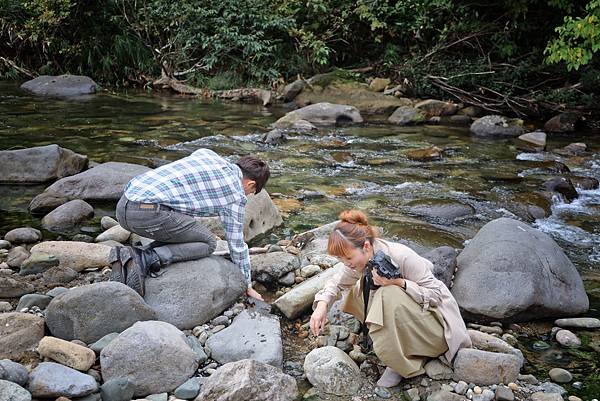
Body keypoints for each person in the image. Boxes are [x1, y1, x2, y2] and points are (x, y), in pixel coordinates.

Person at [309, 210, 471, 388]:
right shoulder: (358, 261)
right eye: (340, 259)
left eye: (348, 258)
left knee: (387, 293)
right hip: (410, 317)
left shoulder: (401, 256)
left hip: (435, 329)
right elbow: (336, 282)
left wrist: (399, 282)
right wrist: (322, 305)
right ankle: (391, 342)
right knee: (357, 288)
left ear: (366, 246)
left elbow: (436, 295)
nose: (346, 263)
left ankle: (399, 363)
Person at [110, 148, 269, 300]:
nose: (248, 195)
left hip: (123, 204)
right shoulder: (235, 195)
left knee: (188, 229)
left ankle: (131, 256)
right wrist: (247, 285)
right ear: (251, 185)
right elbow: (237, 245)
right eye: (252, 192)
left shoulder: (208, 155)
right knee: (207, 242)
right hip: (145, 214)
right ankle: (146, 257)